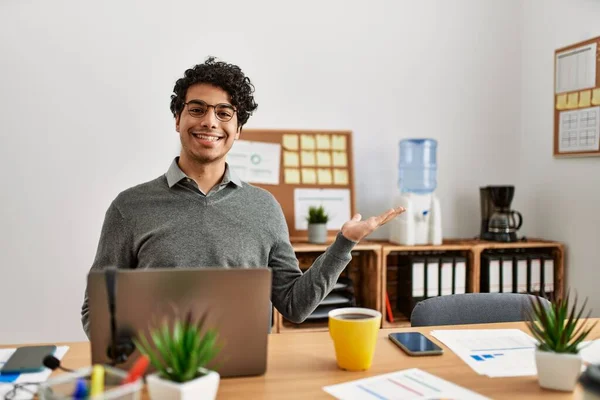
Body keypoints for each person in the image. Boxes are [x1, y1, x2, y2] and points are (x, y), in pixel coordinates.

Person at [80, 56, 405, 336]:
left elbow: (294, 305)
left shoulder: (263, 207)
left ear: (237, 129)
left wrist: (344, 243)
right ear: (177, 119)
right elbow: (96, 312)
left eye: (224, 113)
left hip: (245, 374)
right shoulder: (129, 207)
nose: (209, 121)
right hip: (162, 374)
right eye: (197, 109)